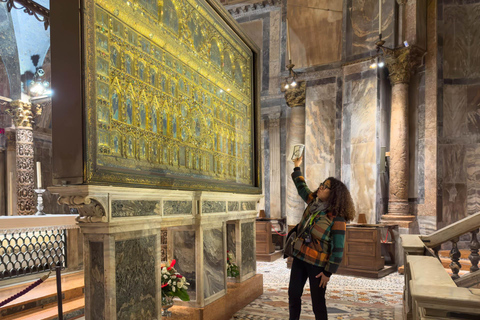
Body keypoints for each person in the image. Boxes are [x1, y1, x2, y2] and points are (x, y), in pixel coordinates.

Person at [288, 156, 355, 320]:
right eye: (322, 184)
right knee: (293, 295)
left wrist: (328, 273)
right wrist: (297, 167)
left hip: (318, 266)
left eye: (325, 187)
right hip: (300, 258)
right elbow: (302, 187)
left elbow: (338, 250)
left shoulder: (337, 218)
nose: (320, 187)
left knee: (317, 303)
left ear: (333, 194)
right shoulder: (313, 202)